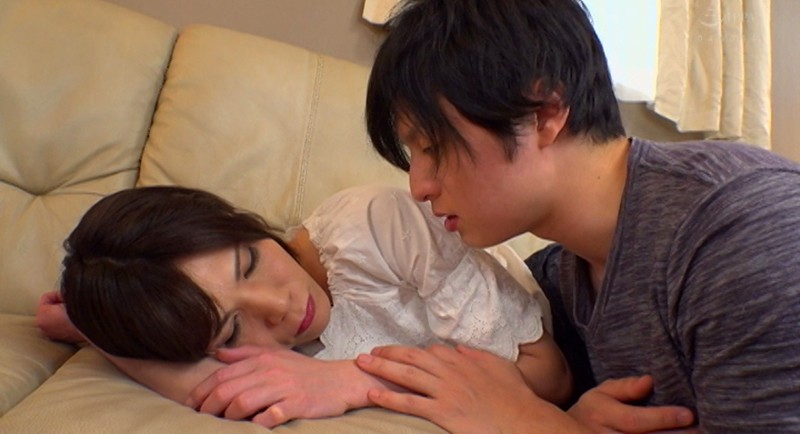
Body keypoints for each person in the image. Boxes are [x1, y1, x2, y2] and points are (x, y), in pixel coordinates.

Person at [355, 0, 800, 433]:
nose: (419, 187)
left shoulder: (745, 226)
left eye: (434, 146)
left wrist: (530, 423)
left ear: (544, 114)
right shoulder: (553, 281)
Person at [37, 184, 572, 428]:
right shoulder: (245, 353)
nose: (280, 307)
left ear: (239, 225)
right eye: (231, 331)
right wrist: (101, 330)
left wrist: (351, 379)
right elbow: (206, 389)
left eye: (249, 263)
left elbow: (549, 379)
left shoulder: (377, 226)